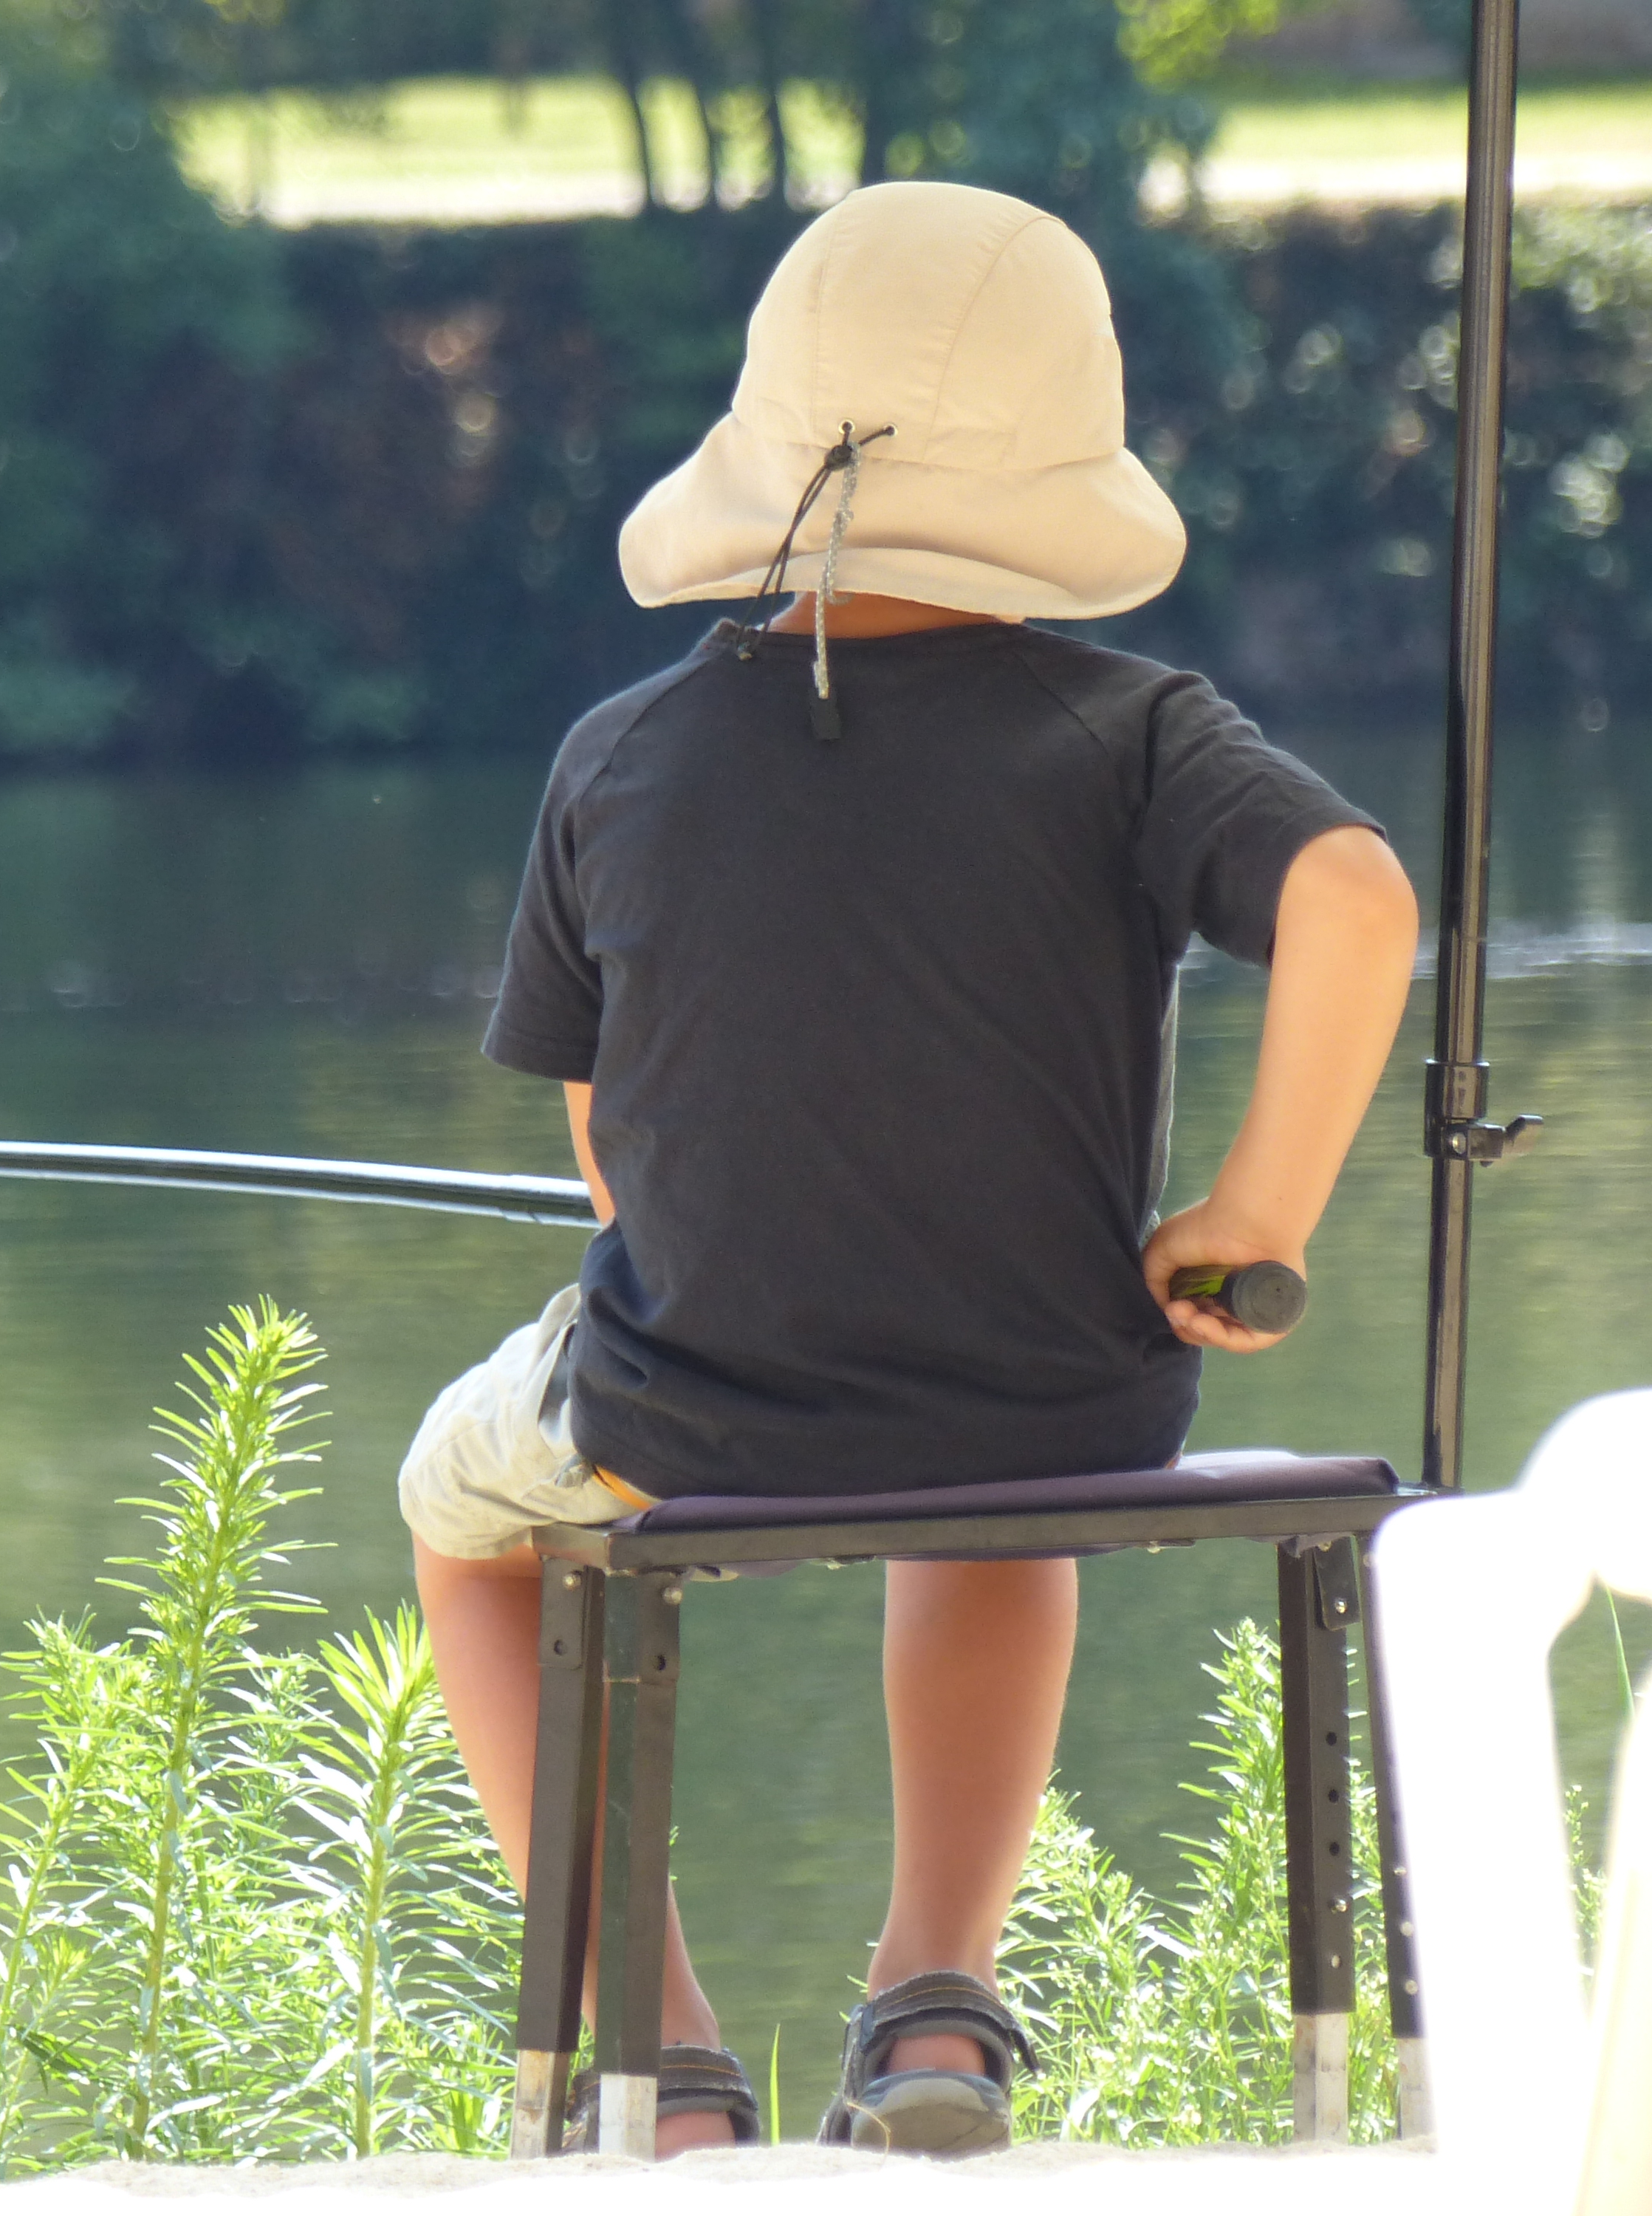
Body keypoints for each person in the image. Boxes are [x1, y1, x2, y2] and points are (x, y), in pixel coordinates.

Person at [398, 182, 1420, 2158]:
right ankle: (935, 2005)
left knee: (457, 1509)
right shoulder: (1134, 733)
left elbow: (610, 1149)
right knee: (992, 1480)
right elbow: (1358, 897)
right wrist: (1252, 1218)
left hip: (690, 1408)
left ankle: (665, 2054)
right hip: (1061, 1395)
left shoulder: (615, 758)